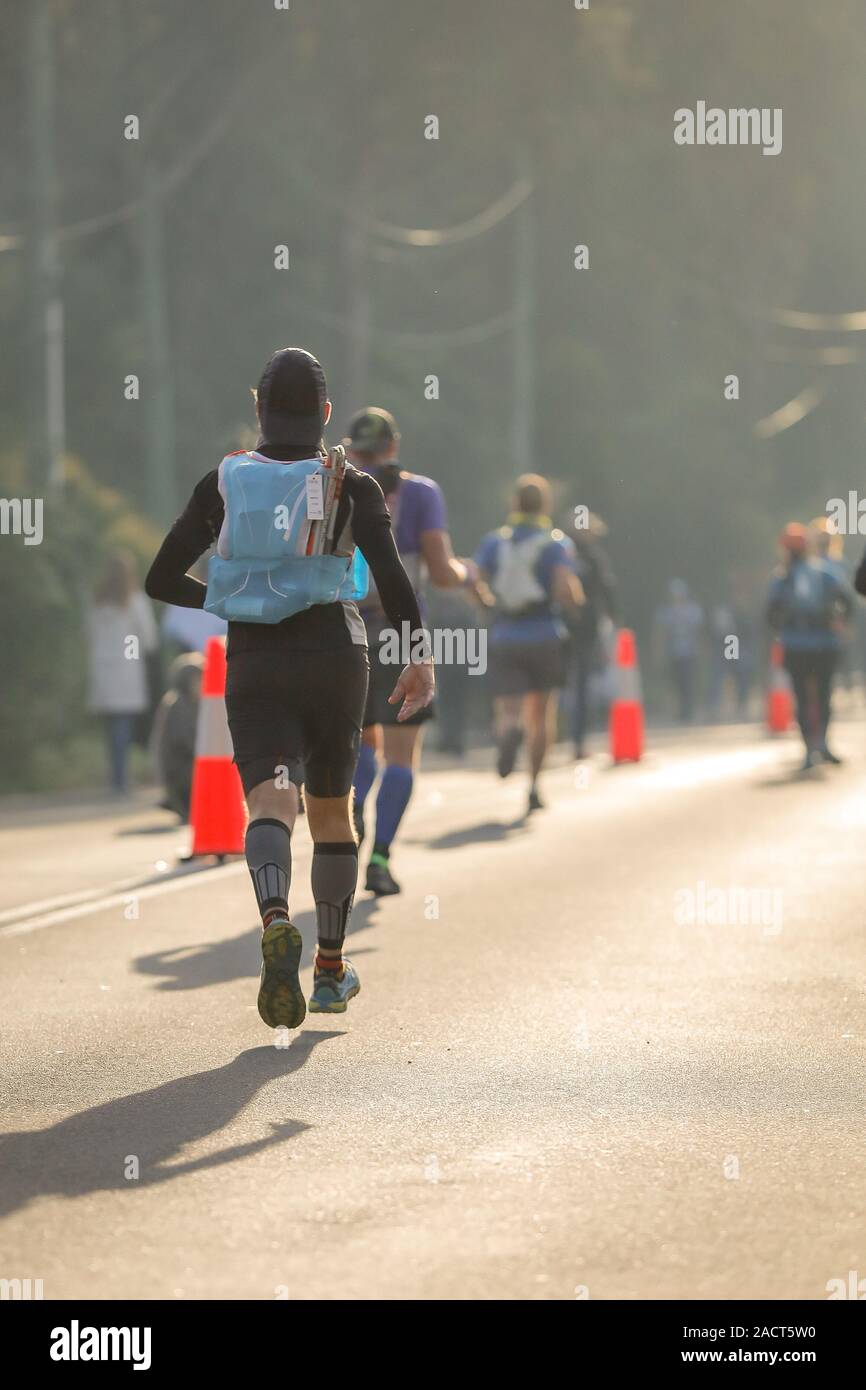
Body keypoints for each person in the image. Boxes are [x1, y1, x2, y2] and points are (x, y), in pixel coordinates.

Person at [145, 348, 433, 1029]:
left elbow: (160, 578)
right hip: (337, 652)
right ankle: (331, 971)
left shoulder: (224, 482)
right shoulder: (350, 483)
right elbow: (391, 578)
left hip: (256, 659)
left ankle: (275, 918)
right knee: (333, 813)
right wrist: (419, 657)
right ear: (327, 414)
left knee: (271, 802)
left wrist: (230, 602)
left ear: (258, 411)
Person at [346, 407, 476, 896]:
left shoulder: (336, 484)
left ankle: (350, 823)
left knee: (359, 742)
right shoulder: (421, 493)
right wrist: (470, 574)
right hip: (405, 632)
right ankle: (380, 857)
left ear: (351, 446)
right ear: (393, 447)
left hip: (347, 628)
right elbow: (442, 572)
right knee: (403, 751)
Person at [474, 475, 583, 814]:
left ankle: (510, 729)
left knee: (508, 706)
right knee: (542, 713)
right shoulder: (555, 543)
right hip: (544, 633)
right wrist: (576, 605)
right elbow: (566, 591)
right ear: (545, 505)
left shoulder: (496, 542)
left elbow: (472, 578)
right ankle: (534, 785)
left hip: (506, 633)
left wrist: (488, 604)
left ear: (514, 504)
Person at [767, 522, 853, 771]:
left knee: (802, 698)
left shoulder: (782, 578)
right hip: (825, 644)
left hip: (796, 646)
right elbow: (847, 601)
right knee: (824, 695)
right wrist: (841, 623)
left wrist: (781, 632)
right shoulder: (825, 572)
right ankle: (823, 743)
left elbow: (770, 614)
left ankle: (809, 748)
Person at [86, 549, 158, 794]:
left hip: (104, 668)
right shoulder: (136, 601)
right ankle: (121, 779)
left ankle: (116, 776)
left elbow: (91, 634)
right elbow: (148, 639)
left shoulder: (97, 602)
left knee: (112, 726)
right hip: (127, 667)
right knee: (123, 725)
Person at [563, 511, 618, 758]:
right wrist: (616, 617)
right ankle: (572, 739)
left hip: (566, 628)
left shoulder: (559, 550)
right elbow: (607, 590)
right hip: (577, 629)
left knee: (572, 685)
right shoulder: (590, 557)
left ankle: (574, 739)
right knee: (577, 685)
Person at [149, 651, 204, 820]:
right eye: (197, 680)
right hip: (180, 773)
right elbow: (186, 743)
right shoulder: (177, 704)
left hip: (184, 770)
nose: (201, 684)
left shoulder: (194, 704)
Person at [652, 579, 704, 723]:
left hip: (689, 652)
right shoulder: (665, 612)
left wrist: (699, 650)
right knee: (676, 682)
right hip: (673, 653)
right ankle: (680, 709)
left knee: (688, 681)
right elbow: (660, 634)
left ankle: (688, 710)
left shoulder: (692, 610)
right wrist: (659, 652)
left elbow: (698, 633)